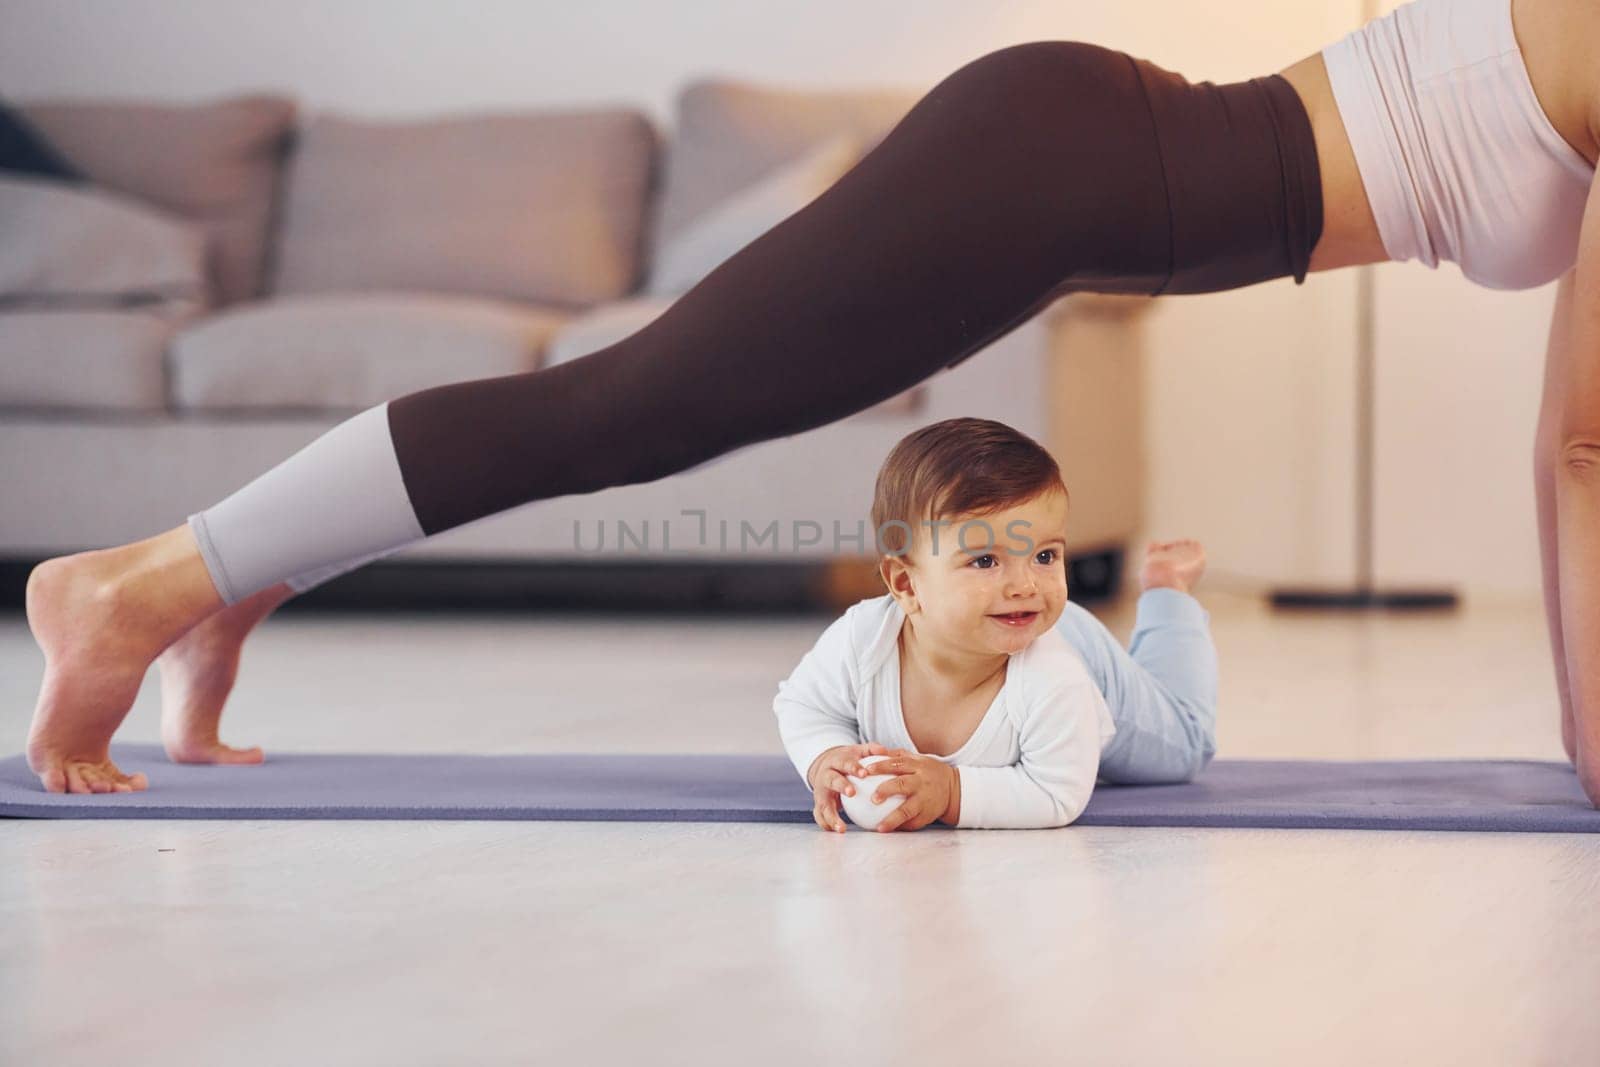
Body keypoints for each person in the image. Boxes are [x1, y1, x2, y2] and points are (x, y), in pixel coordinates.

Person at [21, 0, 1600, 797]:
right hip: (1046, 165)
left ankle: (228, 577)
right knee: (629, 409)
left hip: (1062, 158)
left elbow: (1570, 444)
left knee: (632, 408)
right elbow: (1589, 448)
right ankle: (136, 582)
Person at [776, 418, 1215, 833]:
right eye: (985, 561)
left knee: (1184, 745)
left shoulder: (1054, 676)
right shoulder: (863, 639)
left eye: (1046, 556)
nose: (1025, 585)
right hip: (1018, 628)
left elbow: (1057, 792)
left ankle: (1167, 594)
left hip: (1074, 650)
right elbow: (803, 705)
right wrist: (825, 757)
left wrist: (952, 792)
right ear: (906, 583)